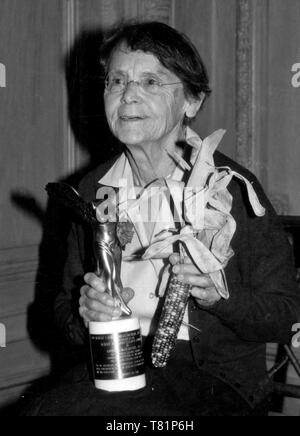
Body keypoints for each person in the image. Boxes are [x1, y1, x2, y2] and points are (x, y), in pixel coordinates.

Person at [25, 21, 300, 416]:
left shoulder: (234, 190)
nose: (128, 96)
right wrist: (84, 313)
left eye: (151, 82)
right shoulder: (92, 189)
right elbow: (61, 313)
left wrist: (218, 297)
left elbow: (285, 316)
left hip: (213, 384)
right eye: (116, 81)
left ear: (191, 101)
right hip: (115, 368)